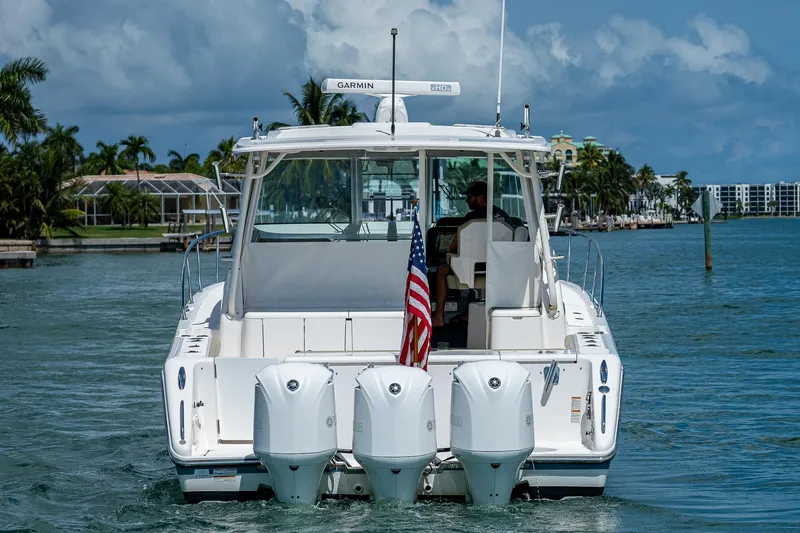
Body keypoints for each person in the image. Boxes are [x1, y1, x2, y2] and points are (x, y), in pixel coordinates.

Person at [432, 180, 511, 327]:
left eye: (469, 196)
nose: (466, 200)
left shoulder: (470, 218)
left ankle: (439, 317)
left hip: (469, 271)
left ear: (481, 197)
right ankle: (469, 313)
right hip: (498, 270)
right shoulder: (504, 217)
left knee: (442, 270)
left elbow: (453, 247)